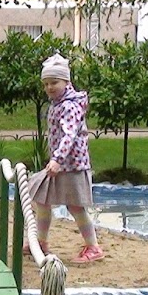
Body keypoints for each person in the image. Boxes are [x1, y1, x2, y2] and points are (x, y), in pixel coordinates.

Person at [30, 54, 105, 263]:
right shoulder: (57, 104)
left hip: (72, 166)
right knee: (42, 199)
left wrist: (57, 159)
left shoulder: (70, 106)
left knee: (75, 207)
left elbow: (69, 135)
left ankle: (93, 247)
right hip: (60, 165)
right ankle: (41, 242)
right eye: (46, 83)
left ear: (66, 81)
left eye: (54, 82)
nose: (49, 87)